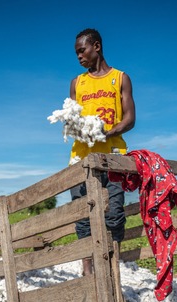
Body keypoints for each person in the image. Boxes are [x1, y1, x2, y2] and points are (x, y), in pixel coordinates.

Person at [68, 28, 136, 275]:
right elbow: (71, 118)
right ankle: (88, 271)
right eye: (76, 53)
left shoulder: (120, 78)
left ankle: (112, 266)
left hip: (114, 156)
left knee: (115, 213)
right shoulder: (77, 82)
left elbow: (130, 119)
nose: (78, 56)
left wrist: (106, 132)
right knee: (83, 215)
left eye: (82, 50)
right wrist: (78, 130)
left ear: (96, 46)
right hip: (82, 158)